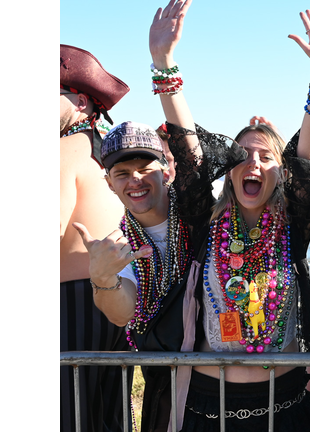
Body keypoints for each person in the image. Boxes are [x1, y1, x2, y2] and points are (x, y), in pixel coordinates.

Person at [148, 2, 310, 430]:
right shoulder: (205, 222)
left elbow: (308, 154)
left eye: (265, 157)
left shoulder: (293, 226)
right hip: (206, 406)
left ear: (281, 173)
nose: (253, 163)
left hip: (284, 406)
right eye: (243, 155)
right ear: (230, 167)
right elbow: (186, 145)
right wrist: (164, 64)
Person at [73, 121, 197, 432]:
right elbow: (122, 312)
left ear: (166, 170)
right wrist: (102, 277)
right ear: (109, 183)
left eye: (144, 168)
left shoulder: (199, 214)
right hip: (165, 390)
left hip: (228, 378)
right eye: (122, 174)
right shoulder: (119, 244)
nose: (135, 180)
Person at [60, 43, 131, 432]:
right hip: (110, 303)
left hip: (68, 310)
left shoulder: (65, 148)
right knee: (107, 417)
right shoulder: (103, 154)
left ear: (82, 101)